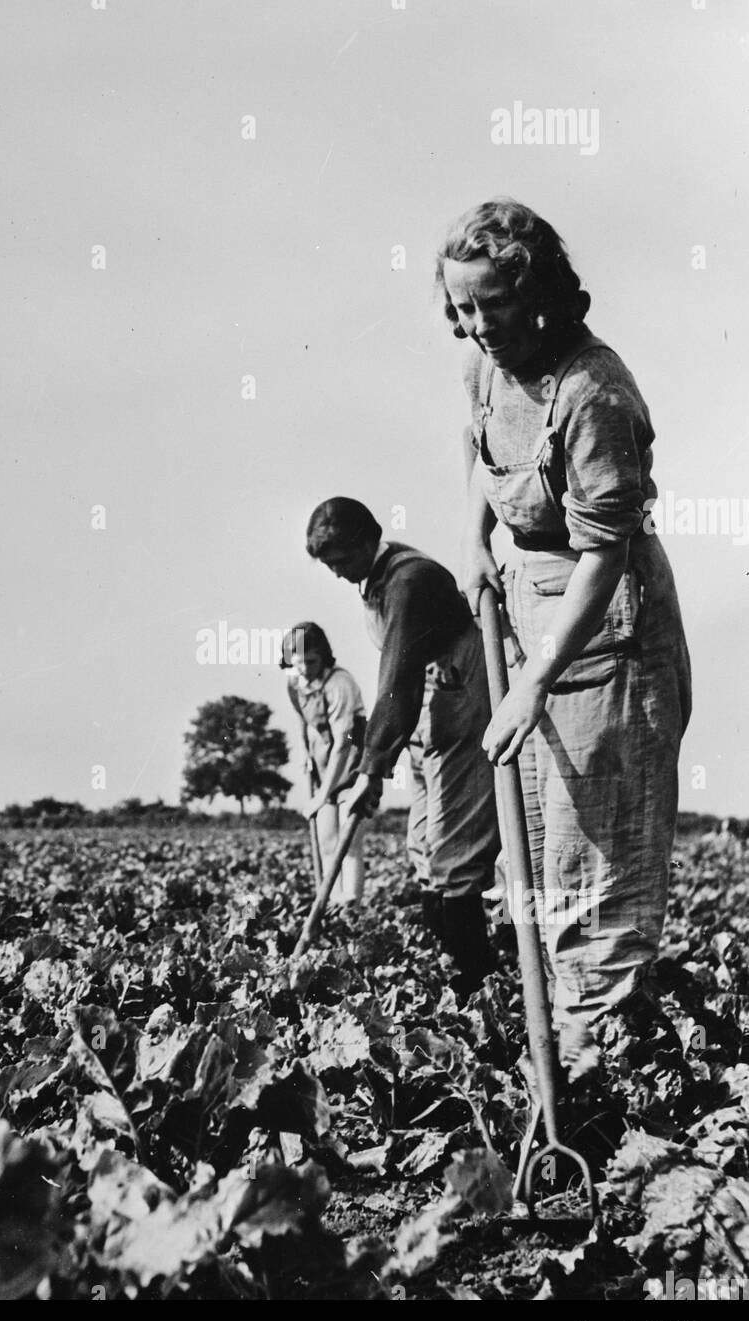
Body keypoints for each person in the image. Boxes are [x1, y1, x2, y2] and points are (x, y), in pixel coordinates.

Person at [438, 196, 692, 1061]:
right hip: (525, 605)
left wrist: (534, 681)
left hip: (608, 630)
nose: (476, 327)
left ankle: (605, 1076)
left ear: (536, 290)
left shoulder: (592, 390)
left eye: (492, 305)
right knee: (537, 853)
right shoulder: (485, 368)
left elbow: (602, 555)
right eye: (461, 308)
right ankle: (576, 1045)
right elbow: (477, 447)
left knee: (598, 853)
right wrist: (474, 536)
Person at [305, 499, 501, 997]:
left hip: (458, 707)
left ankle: (474, 986)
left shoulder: (408, 581)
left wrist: (372, 771)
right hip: (426, 717)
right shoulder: (374, 582)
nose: (337, 574)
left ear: (369, 539)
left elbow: (398, 678)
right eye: (329, 566)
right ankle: (440, 969)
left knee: (454, 852)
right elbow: (394, 685)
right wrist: (367, 762)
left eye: (341, 561)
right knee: (423, 846)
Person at [281, 622, 367, 903]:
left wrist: (321, 795)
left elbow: (343, 743)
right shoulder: (294, 682)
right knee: (327, 838)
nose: (305, 668)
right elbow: (302, 720)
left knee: (348, 840)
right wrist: (307, 753)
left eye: (311, 661)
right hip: (322, 760)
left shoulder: (340, 684)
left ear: (324, 656)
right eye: (298, 663)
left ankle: (350, 902)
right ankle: (331, 901)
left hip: (352, 761)